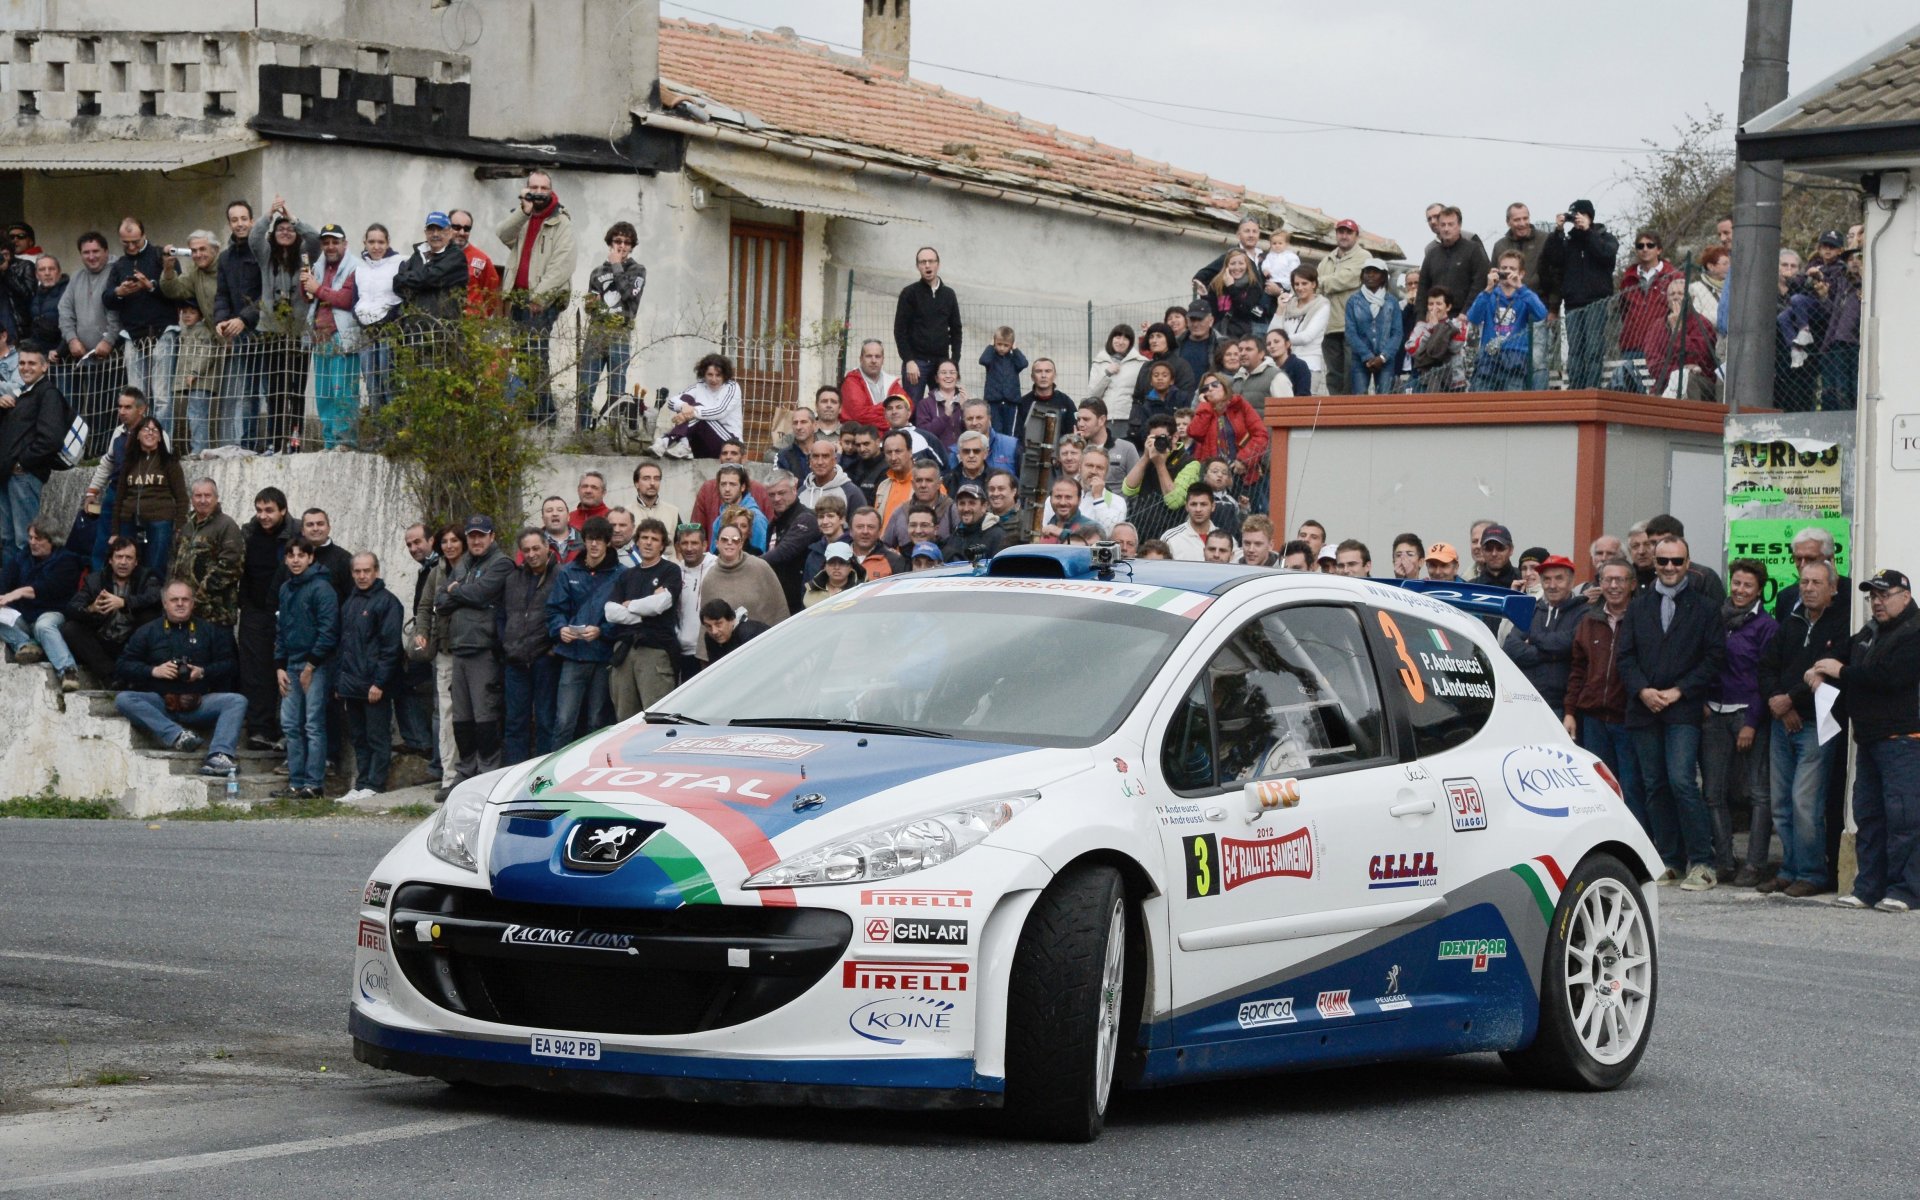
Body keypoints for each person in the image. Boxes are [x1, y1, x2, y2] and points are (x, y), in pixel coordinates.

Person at [1618, 535, 1726, 888]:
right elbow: (1625, 656)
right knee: (1654, 785)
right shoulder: (1638, 606)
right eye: (1662, 561)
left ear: (1687, 563)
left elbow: (1714, 658)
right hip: (1644, 708)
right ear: (1653, 563)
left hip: (1683, 708)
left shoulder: (1706, 608)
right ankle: (1669, 859)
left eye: (1676, 562)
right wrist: (1643, 690)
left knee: (1682, 781)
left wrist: (1680, 690)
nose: (1668, 568)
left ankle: (1703, 862)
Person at [1818, 570, 1920, 912]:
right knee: (1869, 815)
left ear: (1904, 597)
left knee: (1904, 818)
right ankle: (1868, 888)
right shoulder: (1868, 633)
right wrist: (1817, 669)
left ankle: (1906, 891)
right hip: (1869, 738)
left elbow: (1890, 677)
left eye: (1883, 594)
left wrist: (1840, 671)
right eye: (1871, 596)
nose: (1876, 601)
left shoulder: (1915, 631)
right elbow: (1837, 655)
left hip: (1904, 740)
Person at [1752, 558, 1849, 897]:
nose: (1807, 588)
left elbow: (1826, 677)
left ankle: (1812, 873)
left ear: (1833, 589)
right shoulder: (1791, 623)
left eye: (1816, 582)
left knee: (1805, 801)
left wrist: (1790, 701)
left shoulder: (1841, 626)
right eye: (1804, 581)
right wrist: (1778, 700)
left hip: (1815, 725)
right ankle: (1789, 869)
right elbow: (1766, 667)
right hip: (1782, 723)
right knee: (1780, 802)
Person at [1701, 559, 1780, 888]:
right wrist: (1703, 700)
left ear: (1760, 589)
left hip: (1748, 715)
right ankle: (1724, 861)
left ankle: (1755, 864)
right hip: (1714, 714)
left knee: (1759, 794)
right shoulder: (1715, 619)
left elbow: (1766, 677)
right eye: (1736, 583)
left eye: (1748, 585)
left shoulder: (1766, 626)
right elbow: (1704, 660)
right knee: (1713, 792)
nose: (1740, 590)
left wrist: (1751, 722)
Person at [113, 580, 245, 776]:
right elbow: (123, 665)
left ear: (193, 603)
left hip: (199, 702)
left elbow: (230, 665)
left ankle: (219, 755)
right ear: (165, 603)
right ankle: (177, 736)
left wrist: (203, 672)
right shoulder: (148, 631)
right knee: (123, 699)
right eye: (174, 600)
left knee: (237, 700)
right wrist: (153, 671)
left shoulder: (208, 631)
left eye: (185, 599)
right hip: (161, 702)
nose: (180, 604)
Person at [1565, 558, 1646, 830]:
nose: (1613, 586)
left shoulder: (1642, 619)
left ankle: (1637, 846)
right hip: (1593, 719)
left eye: (1620, 580)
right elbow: (1577, 670)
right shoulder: (1589, 621)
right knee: (1598, 789)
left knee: (1631, 787)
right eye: (1608, 579)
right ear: (1599, 583)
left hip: (1629, 718)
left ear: (1632, 585)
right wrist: (1570, 712)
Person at [435, 515, 513, 787]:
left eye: (481, 535)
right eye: (472, 536)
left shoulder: (501, 563)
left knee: (485, 717)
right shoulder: (464, 562)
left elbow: (482, 593)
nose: (476, 540)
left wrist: (459, 592)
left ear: (492, 536)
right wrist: (462, 593)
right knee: (462, 720)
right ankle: (465, 775)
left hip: (485, 649)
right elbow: (440, 600)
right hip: (459, 649)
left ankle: (486, 775)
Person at [495, 171, 576, 423]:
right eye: (534, 187)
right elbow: (503, 234)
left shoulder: (561, 222)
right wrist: (524, 211)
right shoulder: (523, 217)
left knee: (535, 354)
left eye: (544, 187)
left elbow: (563, 265)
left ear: (551, 191)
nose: (539, 191)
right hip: (518, 298)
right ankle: (536, 411)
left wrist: (539, 298)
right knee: (524, 354)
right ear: (526, 189)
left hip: (543, 300)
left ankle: (543, 414)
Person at [273, 537, 339, 799]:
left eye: (302, 555)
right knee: (290, 725)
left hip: (315, 666)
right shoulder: (286, 589)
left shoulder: (322, 588)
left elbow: (328, 631)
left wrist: (311, 665)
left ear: (311, 558)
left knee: (313, 724)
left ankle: (314, 784)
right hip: (290, 665)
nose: (296, 560)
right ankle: (295, 782)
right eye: (291, 555)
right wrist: (279, 666)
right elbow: (280, 630)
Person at [334, 552, 403, 800]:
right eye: (357, 571)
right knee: (358, 738)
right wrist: (339, 682)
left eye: (366, 571)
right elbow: (343, 645)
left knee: (377, 738)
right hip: (350, 685)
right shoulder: (350, 602)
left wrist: (379, 682)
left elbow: (390, 647)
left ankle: (375, 785)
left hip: (374, 686)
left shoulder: (387, 602)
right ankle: (361, 784)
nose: (362, 576)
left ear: (376, 572)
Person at [544, 515, 621, 736]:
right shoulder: (569, 572)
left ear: (608, 542)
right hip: (573, 655)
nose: (594, 544)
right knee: (564, 720)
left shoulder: (621, 574)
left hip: (603, 656)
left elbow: (625, 617)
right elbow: (553, 609)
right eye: (589, 539)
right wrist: (560, 629)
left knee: (597, 721)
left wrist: (602, 631)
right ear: (583, 541)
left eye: (599, 539)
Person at [600, 517, 681, 723]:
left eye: (654, 539)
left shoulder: (670, 570)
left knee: (657, 717)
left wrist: (630, 605)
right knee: (624, 719)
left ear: (662, 545)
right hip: (624, 652)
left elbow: (661, 604)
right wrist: (645, 609)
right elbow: (610, 612)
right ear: (636, 541)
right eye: (644, 537)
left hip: (655, 651)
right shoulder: (626, 575)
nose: (648, 542)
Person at [0, 341, 67, 569]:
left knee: (24, 540)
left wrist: (22, 463)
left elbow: (51, 438)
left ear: (44, 366)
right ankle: (6, 593)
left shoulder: (48, 394)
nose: (25, 368)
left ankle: (22, 592)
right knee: (8, 540)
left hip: (23, 476)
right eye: (21, 363)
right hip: (8, 475)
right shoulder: (22, 394)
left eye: (31, 363)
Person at [1540, 201, 1619, 389]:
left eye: (1581, 215)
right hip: (1573, 302)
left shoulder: (1604, 237)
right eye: (1574, 215)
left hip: (1596, 302)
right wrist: (1558, 231)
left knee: (1593, 349)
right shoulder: (1568, 242)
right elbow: (1552, 260)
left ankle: (1592, 388)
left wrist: (1588, 232)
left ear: (1590, 216)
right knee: (1575, 351)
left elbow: (1606, 255)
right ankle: (1576, 388)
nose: (1577, 219)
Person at [499, 528, 560, 766]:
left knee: (546, 720)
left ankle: (543, 773)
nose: (532, 554)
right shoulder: (513, 579)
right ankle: (514, 773)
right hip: (515, 660)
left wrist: (553, 647)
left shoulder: (561, 575)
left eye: (536, 548)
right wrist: (505, 642)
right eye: (526, 550)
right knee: (515, 722)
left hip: (545, 658)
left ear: (547, 547)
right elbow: (502, 615)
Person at [238, 489, 293, 749]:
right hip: (254, 611)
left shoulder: (295, 535)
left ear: (282, 510)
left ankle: (286, 730)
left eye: (269, 510)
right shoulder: (248, 534)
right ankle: (259, 729)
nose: (263, 516)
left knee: (285, 669)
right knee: (254, 671)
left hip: (286, 612)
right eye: (259, 510)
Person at [578, 222, 646, 431]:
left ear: (632, 246)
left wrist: (617, 266)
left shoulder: (638, 270)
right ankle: (582, 431)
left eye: (627, 242)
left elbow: (629, 297)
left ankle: (612, 431)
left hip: (620, 332)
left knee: (616, 387)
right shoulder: (597, 272)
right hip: (597, 331)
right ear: (610, 243)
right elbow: (591, 306)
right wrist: (591, 303)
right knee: (586, 384)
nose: (622, 246)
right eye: (618, 241)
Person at [64, 536, 161, 682]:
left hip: (131, 642)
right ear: (110, 560)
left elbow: (155, 597)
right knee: (70, 628)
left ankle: (131, 674)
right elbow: (72, 607)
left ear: (136, 562)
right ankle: (112, 676)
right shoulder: (95, 580)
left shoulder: (146, 576)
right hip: (103, 640)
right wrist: (91, 609)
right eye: (119, 557)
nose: (123, 562)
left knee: (150, 617)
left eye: (129, 558)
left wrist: (124, 602)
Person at [0, 519, 82, 688]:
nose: (32, 543)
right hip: (24, 616)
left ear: (52, 540)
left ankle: (68, 671)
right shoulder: (22, 557)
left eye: (38, 539)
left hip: (53, 612)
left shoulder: (67, 560)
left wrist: (19, 592)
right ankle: (25, 645)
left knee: (43, 626)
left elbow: (48, 588)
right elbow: (5, 581)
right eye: (30, 538)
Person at [1503, 555, 1582, 716]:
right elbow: (1510, 646)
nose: (1552, 585)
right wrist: (1551, 654)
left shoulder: (1582, 612)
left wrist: (1532, 640)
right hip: (1525, 702)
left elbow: (1569, 643)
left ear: (1571, 581)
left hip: (1562, 707)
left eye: (1559, 579)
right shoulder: (1532, 609)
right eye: (1546, 579)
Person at [113, 416, 187, 578]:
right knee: (127, 567)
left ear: (160, 437)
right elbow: (119, 497)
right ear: (137, 434)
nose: (150, 433)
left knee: (155, 567)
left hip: (160, 521)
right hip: (129, 521)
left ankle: (151, 601)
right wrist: (114, 531)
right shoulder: (129, 462)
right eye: (145, 429)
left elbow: (182, 498)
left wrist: (180, 527)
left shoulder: (169, 462)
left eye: (155, 430)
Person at [1467, 252, 1550, 392]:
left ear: (1521, 273)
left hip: (1516, 356)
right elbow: (1473, 318)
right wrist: (1488, 289)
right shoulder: (1489, 295)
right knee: (1483, 401)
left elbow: (1541, 314)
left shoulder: (1524, 295)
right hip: (1489, 357)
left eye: (1512, 269)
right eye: (1504, 268)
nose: (1507, 272)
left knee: (1512, 403)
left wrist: (1521, 287)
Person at [169, 477, 245, 627]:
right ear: (192, 499)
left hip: (216, 613)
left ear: (216, 498)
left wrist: (199, 596)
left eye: (207, 495)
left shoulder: (227, 526)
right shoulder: (185, 525)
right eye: (198, 496)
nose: (202, 500)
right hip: (184, 610)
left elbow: (231, 567)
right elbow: (173, 560)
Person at [1120, 413, 1202, 544]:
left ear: (1175, 437)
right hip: (1141, 533)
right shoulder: (1149, 458)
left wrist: (1160, 464)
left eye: (1161, 438)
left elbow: (1174, 501)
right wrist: (1146, 457)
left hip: (1171, 537)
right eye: (1154, 438)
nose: (1159, 442)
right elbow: (1128, 489)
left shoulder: (1190, 463)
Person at [893, 247, 962, 399]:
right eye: (923, 262)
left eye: (931, 261)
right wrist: (909, 360)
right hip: (916, 364)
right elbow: (900, 330)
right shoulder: (909, 293)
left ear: (938, 264)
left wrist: (953, 362)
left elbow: (956, 330)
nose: (927, 265)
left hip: (941, 363)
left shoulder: (949, 295)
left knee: (943, 408)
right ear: (918, 266)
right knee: (913, 409)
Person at [1615, 231, 1682, 385]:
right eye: (1640, 246)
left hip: (1662, 344)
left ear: (1659, 250)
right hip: (1632, 345)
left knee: (1659, 389)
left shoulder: (1674, 276)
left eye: (1650, 245)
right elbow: (1623, 310)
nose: (1645, 249)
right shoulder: (1628, 279)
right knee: (1630, 390)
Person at [1185, 373, 1268, 493]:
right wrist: (1204, 406)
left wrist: (1244, 460)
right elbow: (1195, 433)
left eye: (1214, 384)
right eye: (1205, 388)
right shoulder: (1204, 410)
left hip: (1241, 474)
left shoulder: (1240, 405)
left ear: (1224, 386)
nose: (1211, 389)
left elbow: (1261, 434)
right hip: (1212, 479)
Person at [353, 224, 404, 416]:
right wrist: (359, 318)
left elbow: (403, 297)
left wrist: (389, 321)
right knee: (372, 386)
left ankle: (395, 435)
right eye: (371, 242)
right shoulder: (359, 268)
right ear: (364, 243)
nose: (376, 247)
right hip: (366, 333)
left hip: (389, 332)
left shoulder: (399, 263)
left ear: (388, 242)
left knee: (389, 382)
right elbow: (356, 298)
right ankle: (378, 435)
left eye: (381, 242)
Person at [699, 523, 788, 632]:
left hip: (763, 640)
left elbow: (780, 608)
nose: (730, 543)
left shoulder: (760, 567)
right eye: (724, 539)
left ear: (741, 544)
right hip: (728, 647)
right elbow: (706, 625)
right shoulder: (710, 578)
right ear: (717, 543)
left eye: (735, 540)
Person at [654, 353, 742, 459]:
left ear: (724, 375)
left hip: (728, 444)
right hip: (702, 445)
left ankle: (666, 441)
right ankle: (684, 443)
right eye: (710, 374)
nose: (714, 379)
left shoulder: (732, 387)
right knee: (686, 399)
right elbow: (672, 402)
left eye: (718, 375)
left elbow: (719, 411)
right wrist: (684, 407)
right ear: (703, 374)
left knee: (699, 414)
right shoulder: (699, 386)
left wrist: (690, 413)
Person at [1647, 276, 1718, 402]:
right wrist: (1680, 371)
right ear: (1667, 299)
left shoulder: (1702, 324)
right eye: (1672, 294)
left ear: (1691, 298)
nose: (1675, 297)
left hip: (1700, 382)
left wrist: (1678, 331)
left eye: (1680, 293)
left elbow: (1698, 359)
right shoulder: (1657, 326)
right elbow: (1654, 365)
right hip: (1665, 383)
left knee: (1688, 380)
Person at [393, 210, 467, 325]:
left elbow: (430, 277)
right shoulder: (418, 254)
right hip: (413, 328)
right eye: (431, 230)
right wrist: (415, 280)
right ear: (425, 232)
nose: (435, 234)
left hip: (444, 329)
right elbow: (397, 283)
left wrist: (409, 279)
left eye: (440, 229)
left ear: (450, 232)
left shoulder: (456, 257)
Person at [1416, 206, 1491, 319]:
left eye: (1450, 224)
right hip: (1437, 317)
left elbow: (1479, 283)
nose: (1446, 229)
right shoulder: (1432, 254)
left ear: (1459, 226)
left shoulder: (1473, 249)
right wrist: (1420, 318)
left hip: (1465, 316)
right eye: (1443, 225)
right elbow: (1422, 287)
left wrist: (1466, 312)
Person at [762, 472, 821, 615]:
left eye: (781, 493)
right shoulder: (774, 524)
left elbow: (783, 552)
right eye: (772, 495)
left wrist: (747, 563)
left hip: (802, 602)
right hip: (779, 598)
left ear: (794, 489)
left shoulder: (806, 519)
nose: (777, 499)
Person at [1344, 262, 1402, 395]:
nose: (1370, 275)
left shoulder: (1392, 301)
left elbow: (1397, 333)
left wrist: (1383, 357)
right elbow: (1351, 332)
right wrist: (1367, 356)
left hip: (1386, 359)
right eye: (1367, 271)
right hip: (1360, 358)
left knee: (1384, 399)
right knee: (1359, 399)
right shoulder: (1353, 301)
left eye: (1375, 272)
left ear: (1383, 276)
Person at [1274, 265, 1330, 395]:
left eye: (1304, 283)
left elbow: (1307, 337)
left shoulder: (1322, 305)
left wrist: (1282, 341)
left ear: (1314, 284)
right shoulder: (1289, 304)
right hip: (1285, 364)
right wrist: (1280, 309)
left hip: (1309, 364)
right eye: (1296, 284)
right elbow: (1273, 333)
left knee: (1304, 410)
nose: (1300, 288)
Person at [669, 522, 712, 682]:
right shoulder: (674, 573)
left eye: (694, 543)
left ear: (705, 544)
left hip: (710, 648)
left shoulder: (716, 567)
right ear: (677, 546)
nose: (689, 548)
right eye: (684, 543)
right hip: (685, 651)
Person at [1086, 325, 1145, 436]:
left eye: (1126, 338)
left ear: (1131, 343)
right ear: (1111, 339)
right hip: (1104, 418)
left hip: (1128, 418)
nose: (1121, 342)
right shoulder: (1099, 362)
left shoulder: (1140, 363)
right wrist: (1107, 374)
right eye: (1117, 337)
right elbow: (1093, 395)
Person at [1405, 289, 1468, 393]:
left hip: (1454, 382)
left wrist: (1437, 328)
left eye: (1439, 304)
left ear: (1448, 307)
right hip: (1426, 381)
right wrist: (1430, 330)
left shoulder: (1457, 324)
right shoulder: (1421, 326)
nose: (1434, 308)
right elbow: (1413, 350)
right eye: (1431, 304)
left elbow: (1454, 347)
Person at [840, 339, 908, 433]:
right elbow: (859, 415)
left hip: (892, 437)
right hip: (861, 438)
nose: (873, 360)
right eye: (869, 356)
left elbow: (908, 406)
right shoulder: (851, 381)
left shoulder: (891, 381)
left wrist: (872, 410)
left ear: (883, 359)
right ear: (861, 359)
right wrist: (891, 418)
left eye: (877, 356)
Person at [978, 326, 1029, 440]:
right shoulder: (991, 358)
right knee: (995, 431)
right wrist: (991, 345)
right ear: (994, 342)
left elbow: (1023, 363)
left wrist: (1015, 349)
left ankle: (1008, 454)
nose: (1002, 348)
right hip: (993, 401)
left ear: (1011, 345)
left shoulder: (1013, 359)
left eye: (1006, 345)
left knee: (1009, 432)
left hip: (1011, 402)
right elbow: (983, 360)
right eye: (999, 344)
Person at [446, 209, 500, 317]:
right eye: (456, 227)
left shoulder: (482, 260)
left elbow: (491, 296)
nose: (461, 233)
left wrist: (478, 316)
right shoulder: (437, 254)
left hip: (471, 325)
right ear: (447, 228)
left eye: (466, 229)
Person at [940, 482, 1004, 563]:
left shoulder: (997, 535)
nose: (966, 509)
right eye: (962, 503)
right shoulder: (956, 534)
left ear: (984, 506)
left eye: (972, 503)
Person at [1162, 482, 1225, 562]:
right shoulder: (1171, 539)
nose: (1198, 509)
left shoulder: (1225, 539)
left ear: (1213, 507)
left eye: (1203, 504)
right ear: (1186, 506)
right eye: (1193, 504)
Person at [700, 599, 767, 662]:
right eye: (708, 626)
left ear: (731, 620)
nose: (714, 631)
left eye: (718, 624)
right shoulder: (709, 638)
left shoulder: (748, 634)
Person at [804, 542, 865, 607]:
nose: (836, 567)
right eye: (831, 562)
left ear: (851, 567)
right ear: (825, 566)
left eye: (842, 563)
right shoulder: (812, 588)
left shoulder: (861, 589)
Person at [1474, 523, 1518, 590]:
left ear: (1511, 550)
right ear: (1482, 551)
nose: (1494, 554)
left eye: (1500, 548)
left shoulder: (1523, 582)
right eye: (1488, 548)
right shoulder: (1471, 587)